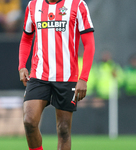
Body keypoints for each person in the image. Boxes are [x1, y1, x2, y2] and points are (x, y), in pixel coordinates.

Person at [18, 0, 95, 150]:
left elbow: (89, 44)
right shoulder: (33, 5)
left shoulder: (77, 5)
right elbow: (26, 38)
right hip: (39, 76)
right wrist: (22, 66)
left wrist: (83, 78)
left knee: (64, 129)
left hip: (67, 78)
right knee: (29, 121)